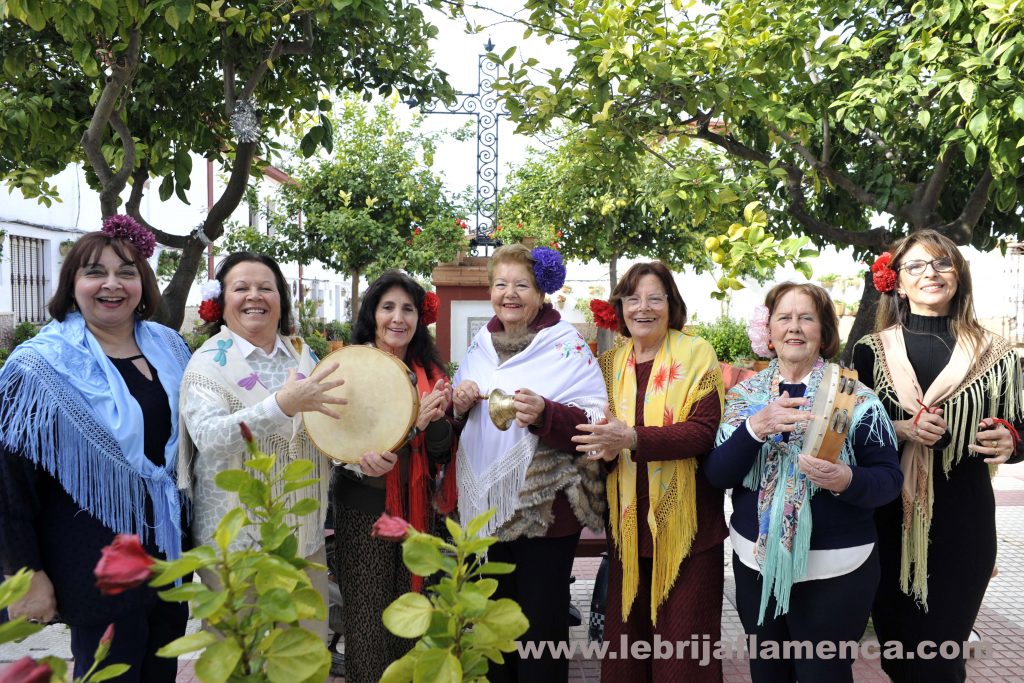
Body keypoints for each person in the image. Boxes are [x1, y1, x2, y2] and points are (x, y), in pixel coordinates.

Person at [0, 217, 191, 682]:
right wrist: (24, 574)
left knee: (161, 673)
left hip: (170, 558)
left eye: (126, 272)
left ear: (143, 284)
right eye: (94, 272)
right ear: (72, 285)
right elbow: (9, 484)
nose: (111, 284)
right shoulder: (37, 368)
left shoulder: (172, 349)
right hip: (94, 566)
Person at [705, 282, 902, 683]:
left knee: (823, 674)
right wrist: (755, 429)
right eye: (784, 318)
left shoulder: (857, 399)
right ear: (769, 332)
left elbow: (888, 480)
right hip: (755, 564)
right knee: (767, 671)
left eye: (807, 318)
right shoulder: (743, 397)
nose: (794, 327)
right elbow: (717, 474)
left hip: (837, 570)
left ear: (824, 331)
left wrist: (846, 479)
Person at [853, 230, 1024, 682]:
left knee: (942, 659)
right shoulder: (871, 351)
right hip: (887, 520)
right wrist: (900, 428)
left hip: (962, 524)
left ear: (959, 276)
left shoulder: (997, 354)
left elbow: (1019, 425)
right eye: (916, 266)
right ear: (898, 282)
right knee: (897, 656)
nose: (931, 273)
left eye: (942, 263)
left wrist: (1011, 442)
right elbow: (850, 434)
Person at [451, 244, 606, 682]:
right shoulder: (481, 344)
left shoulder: (566, 347)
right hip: (487, 509)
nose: (510, 293)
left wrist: (546, 414)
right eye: (500, 284)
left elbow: (594, 418)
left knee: (542, 627)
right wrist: (460, 404)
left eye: (522, 284)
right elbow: (463, 418)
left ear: (542, 293)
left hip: (545, 512)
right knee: (496, 625)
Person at [571, 261, 726, 682]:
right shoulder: (607, 365)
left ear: (671, 305)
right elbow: (595, 437)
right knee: (626, 660)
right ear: (620, 308)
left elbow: (702, 432)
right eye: (633, 298)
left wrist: (632, 439)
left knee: (682, 660)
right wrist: (602, 451)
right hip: (628, 531)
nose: (644, 307)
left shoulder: (697, 354)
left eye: (655, 297)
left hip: (687, 534)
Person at [178, 252, 345, 642]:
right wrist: (281, 406)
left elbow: (329, 430)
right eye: (241, 288)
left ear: (281, 299)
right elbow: (211, 437)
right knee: (240, 656)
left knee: (304, 654)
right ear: (221, 302)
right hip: (235, 544)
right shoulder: (207, 364)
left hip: (302, 538)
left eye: (265, 287)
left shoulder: (305, 355)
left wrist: (357, 455)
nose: (254, 296)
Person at [329, 270, 454, 683]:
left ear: (419, 318)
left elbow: (438, 454)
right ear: (372, 314)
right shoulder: (352, 367)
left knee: (412, 614)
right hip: (364, 510)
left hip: (420, 510)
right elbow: (346, 443)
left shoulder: (429, 371)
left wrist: (437, 416)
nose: (398, 318)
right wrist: (414, 423)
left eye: (408, 309)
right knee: (367, 620)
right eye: (388, 308)